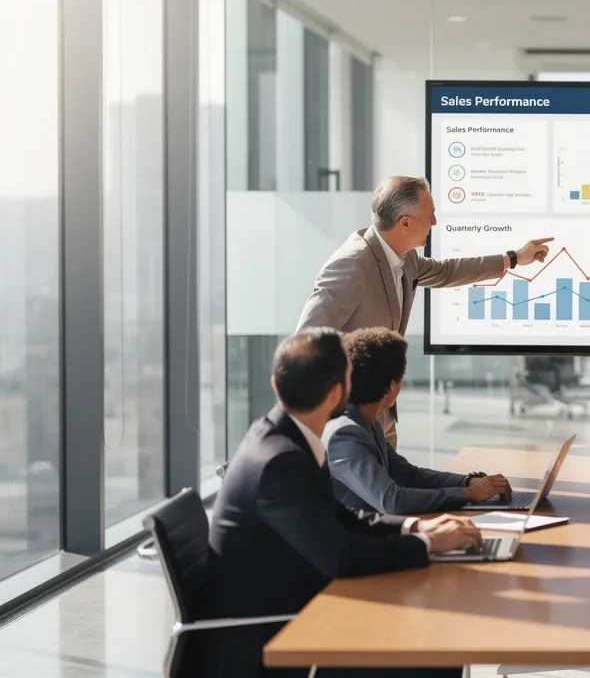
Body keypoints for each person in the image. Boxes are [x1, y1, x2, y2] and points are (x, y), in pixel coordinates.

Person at [199, 328, 481, 678]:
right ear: (338, 392)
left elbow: (341, 517)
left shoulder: (282, 436)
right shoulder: (281, 460)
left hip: (295, 608)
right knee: (435, 652)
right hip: (273, 638)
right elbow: (340, 557)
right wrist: (426, 544)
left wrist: (415, 526)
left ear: (275, 384)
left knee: (432, 638)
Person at [295, 175, 554, 448]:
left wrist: (514, 258)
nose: (435, 223)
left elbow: (447, 272)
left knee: (392, 472)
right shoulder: (353, 264)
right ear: (405, 223)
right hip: (349, 417)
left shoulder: (404, 256)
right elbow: (306, 342)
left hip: (381, 412)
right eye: (430, 216)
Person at [326, 327, 513, 515]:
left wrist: (467, 482)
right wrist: (470, 494)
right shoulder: (345, 434)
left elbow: (408, 475)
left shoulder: (368, 424)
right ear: (391, 385)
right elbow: (392, 501)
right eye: (401, 378)